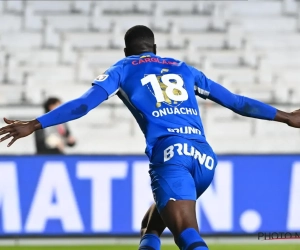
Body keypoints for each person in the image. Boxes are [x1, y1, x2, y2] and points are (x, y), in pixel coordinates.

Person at [0, 25, 300, 250]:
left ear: (125, 51)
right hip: (204, 158)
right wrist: (286, 117)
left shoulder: (122, 69)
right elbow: (236, 101)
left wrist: (35, 124)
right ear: (154, 47)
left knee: (187, 237)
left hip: (171, 156)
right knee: (151, 227)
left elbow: (82, 105)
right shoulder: (183, 68)